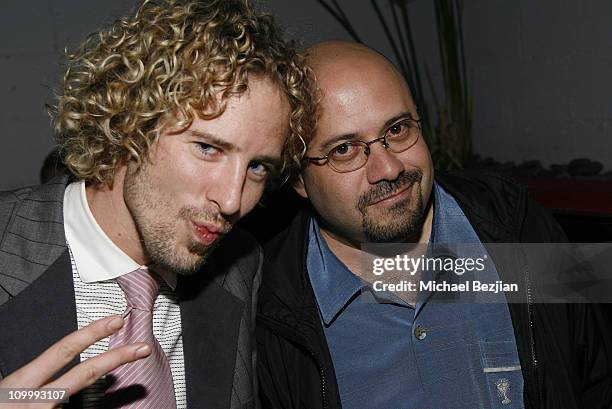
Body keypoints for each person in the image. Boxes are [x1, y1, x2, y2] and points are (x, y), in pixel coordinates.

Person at [255, 41, 612, 409]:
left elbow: (598, 378)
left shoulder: (520, 228)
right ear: (298, 178)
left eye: (397, 129)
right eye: (344, 149)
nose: (388, 169)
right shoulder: (267, 312)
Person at [0, 1, 315, 408]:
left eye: (257, 167)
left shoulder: (240, 269)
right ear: (132, 122)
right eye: (207, 148)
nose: (232, 199)